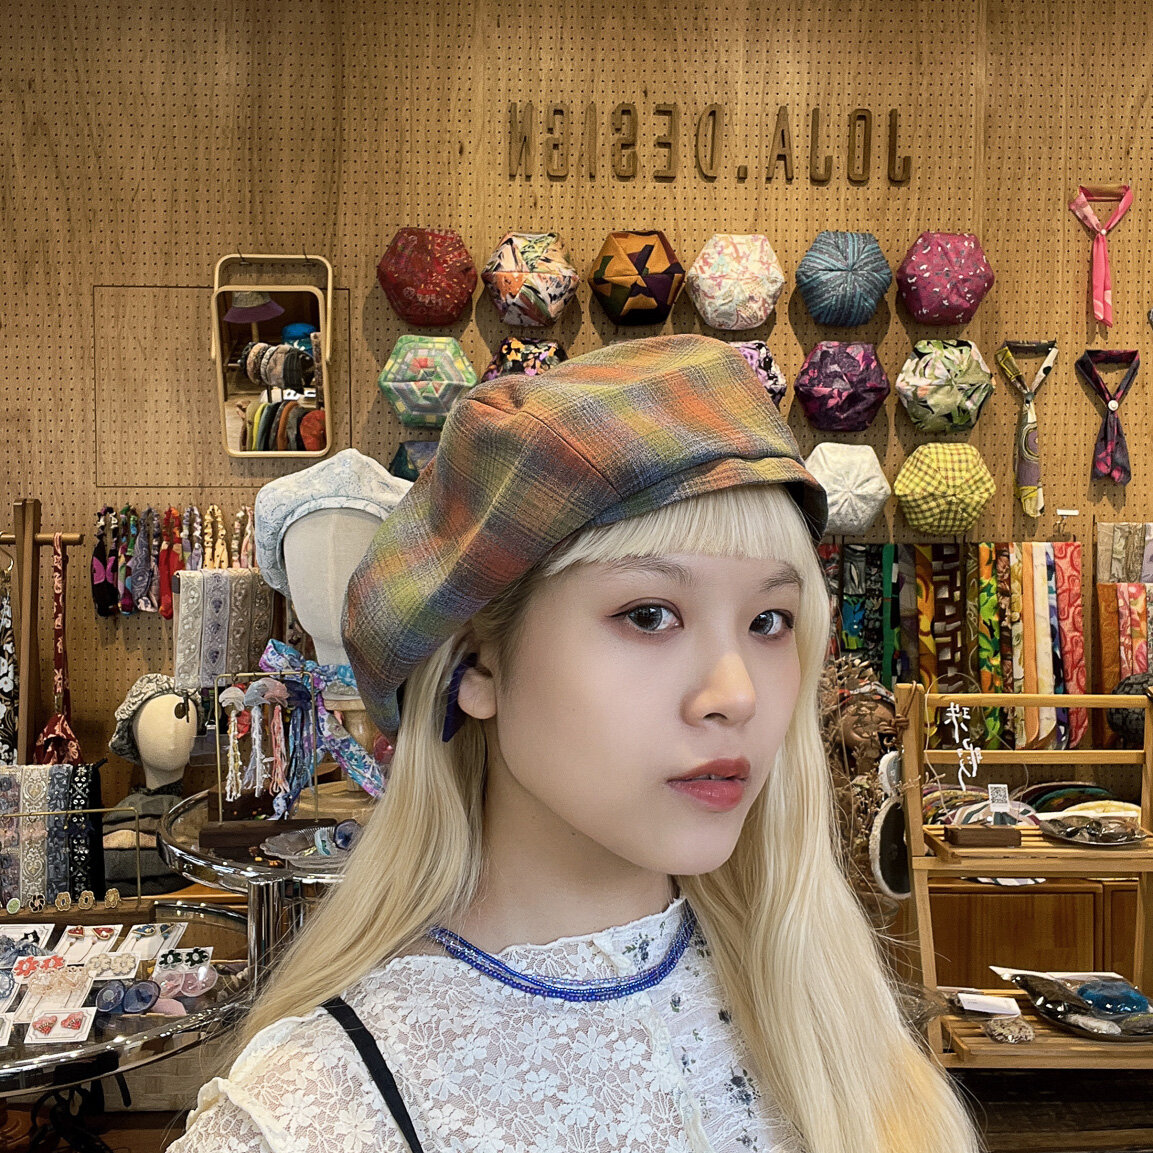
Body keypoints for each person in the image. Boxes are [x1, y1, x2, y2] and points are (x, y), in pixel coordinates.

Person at [172, 336, 978, 1153]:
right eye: (649, 615)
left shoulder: (823, 1009)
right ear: (478, 662)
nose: (736, 693)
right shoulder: (313, 1118)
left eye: (768, 620)